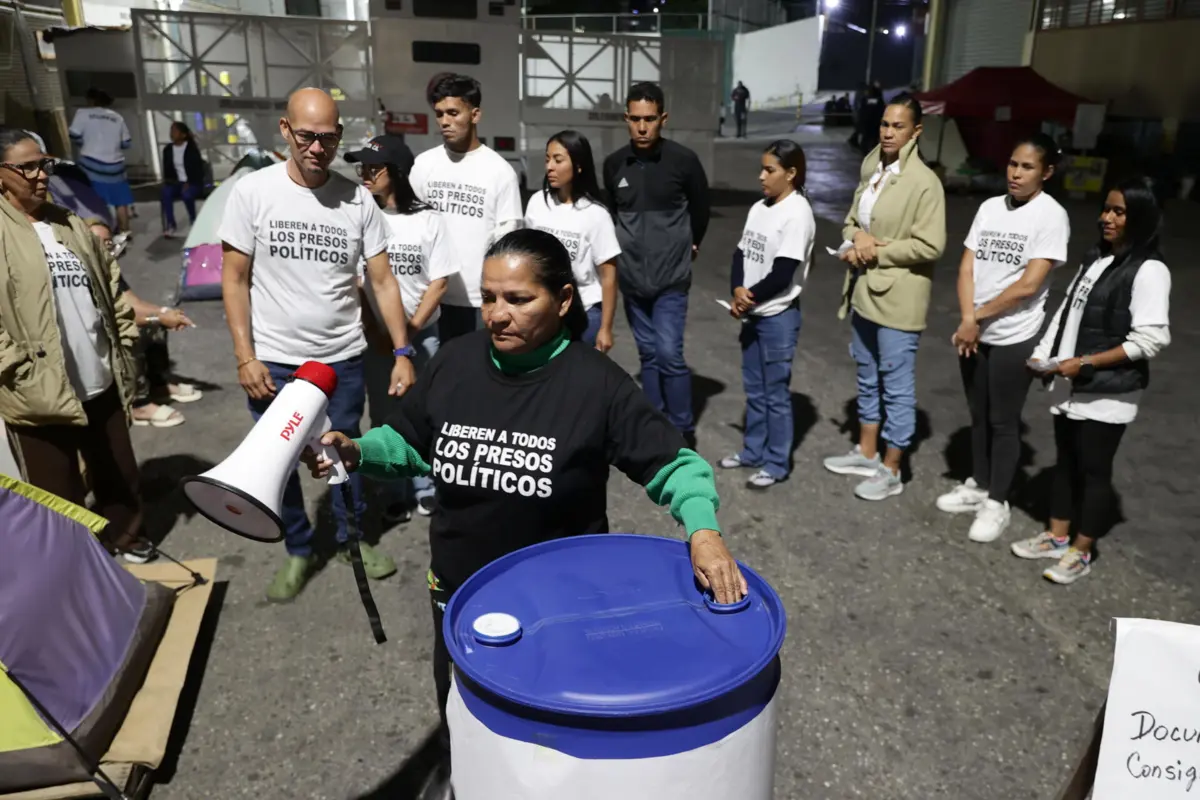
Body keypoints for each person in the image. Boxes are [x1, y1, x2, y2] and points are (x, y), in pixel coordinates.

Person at [303, 228, 748, 799]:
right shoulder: (456, 362)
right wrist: (358, 451)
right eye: (489, 297)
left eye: (517, 299)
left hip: (560, 614)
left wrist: (703, 532)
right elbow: (414, 442)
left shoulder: (597, 385)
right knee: (465, 719)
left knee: (552, 748)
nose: (496, 314)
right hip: (459, 596)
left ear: (563, 301)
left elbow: (675, 465)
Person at [219, 88, 417, 602]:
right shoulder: (253, 193)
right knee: (275, 463)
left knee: (344, 453)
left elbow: (383, 281)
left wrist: (401, 350)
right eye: (306, 135)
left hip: (341, 360)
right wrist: (245, 355)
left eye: (328, 138)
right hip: (276, 362)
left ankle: (354, 540)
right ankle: (299, 549)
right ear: (285, 131)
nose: (317, 147)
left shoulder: (357, 201)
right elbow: (234, 278)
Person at [0, 127, 153, 563]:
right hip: (38, 390)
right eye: (26, 166)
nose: (40, 174)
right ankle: (76, 565)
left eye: (43, 164)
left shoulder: (67, 222)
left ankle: (127, 538)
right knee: (57, 494)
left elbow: (109, 283)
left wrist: (122, 339)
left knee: (119, 473)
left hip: (98, 376)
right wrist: (18, 370)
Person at [1011, 176, 1171, 584]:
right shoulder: (1097, 258)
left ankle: (1082, 551)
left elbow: (1150, 340)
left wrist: (1085, 363)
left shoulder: (1150, 271)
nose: (1107, 218)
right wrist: (1042, 352)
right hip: (1071, 383)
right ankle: (1057, 535)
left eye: (1119, 212)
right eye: (1106, 209)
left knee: (1094, 470)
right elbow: (1069, 311)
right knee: (1065, 463)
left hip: (1108, 391)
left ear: (1140, 218)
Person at [937, 135, 1070, 543]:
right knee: (978, 413)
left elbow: (1029, 285)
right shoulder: (989, 208)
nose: (1015, 173)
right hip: (974, 330)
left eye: (1027, 167)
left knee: (1003, 420)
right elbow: (965, 269)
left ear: (1046, 173)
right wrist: (967, 319)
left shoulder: (1051, 216)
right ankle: (978, 484)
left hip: (1015, 335)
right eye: (1013, 164)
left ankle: (998, 501)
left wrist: (975, 318)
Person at [823, 93, 946, 501]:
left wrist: (877, 249)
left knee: (895, 385)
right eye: (884, 124)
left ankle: (892, 468)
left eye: (898, 126)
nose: (889, 132)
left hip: (900, 300)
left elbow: (930, 246)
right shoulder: (872, 166)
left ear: (916, 131)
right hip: (864, 291)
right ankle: (867, 451)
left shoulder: (924, 183)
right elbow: (853, 219)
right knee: (866, 374)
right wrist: (856, 237)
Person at [345, 134, 456, 519]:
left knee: (426, 412)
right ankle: (394, 488)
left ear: (396, 172)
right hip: (376, 340)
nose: (365, 175)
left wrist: (406, 334)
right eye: (362, 168)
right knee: (384, 414)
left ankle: (426, 484)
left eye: (372, 168)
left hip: (422, 338)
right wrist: (380, 333)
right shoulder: (362, 217)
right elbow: (358, 282)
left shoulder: (428, 219)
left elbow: (438, 282)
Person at [603, 82, 711, 446]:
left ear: (663, 119)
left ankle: (681, 431)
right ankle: (654, 426)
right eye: (635, 119)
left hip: (670, 281)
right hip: (632, 282)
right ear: (626, 119)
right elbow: (613, 216)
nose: (643, 127)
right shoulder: (614, 164)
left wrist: (688, 244)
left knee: (669, 354)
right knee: (648, 355)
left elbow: (701, 210)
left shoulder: (683, 162)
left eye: (650, 119)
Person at [719, 140, 814, 490]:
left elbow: (783, 272)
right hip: (754, 313)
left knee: (775, 394)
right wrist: (736, 290)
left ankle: (776, 463)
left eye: (769, 170)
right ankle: (752, 451)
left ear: (791, 174)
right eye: (762, 168)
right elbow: (740, 254)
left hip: (777, 317)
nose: (761, 176)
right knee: (754, 391)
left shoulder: (798, 213)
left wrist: (749, 298)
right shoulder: (760, 207)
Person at [409, 73, 523, 343]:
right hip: (428, 298)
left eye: (453, 113)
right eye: (439, 114)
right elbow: (409, 228)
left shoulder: (500, 172)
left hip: (477, 301)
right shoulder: (424, 165)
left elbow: (507, 244)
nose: (445, 121)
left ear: (475, 115)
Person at [87, 219, 201, 428]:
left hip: (115, 321)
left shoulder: (109, 268)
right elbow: (115, 315)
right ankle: (138, 403)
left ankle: (157, 384)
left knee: (156, 325)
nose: (106, 247)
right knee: (135, 331)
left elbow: (134, 302)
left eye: (108, 242)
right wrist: (158, 317)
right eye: (99, 242)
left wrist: (164, 312)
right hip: (100, 330)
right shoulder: (86, 272)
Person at [524, 130, 620, 351]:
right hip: (543, 312)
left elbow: (609, 277)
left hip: (584, 313)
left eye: (558, 160)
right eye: (547, 159)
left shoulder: (596, 215)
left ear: (578, 165)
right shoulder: (537, 203)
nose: (550, 167)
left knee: (578, 381)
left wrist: (605, 328)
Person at [69, 89, 134, 237]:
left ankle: (101, 232)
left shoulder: (82, 114)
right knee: (120, 201)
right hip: (115, 165)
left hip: (90, 165)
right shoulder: (117, 117)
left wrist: (85, 143)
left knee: (93, 200)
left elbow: (74, 135)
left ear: (91, 100)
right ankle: (125, 231)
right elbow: (126, 143)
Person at [160, 121, 204, 238]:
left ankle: (193, 220)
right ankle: (171, 224)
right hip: (176, 182)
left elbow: (198, 170)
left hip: (192, 182)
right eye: (171, 131)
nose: (172, 133)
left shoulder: (191, 149)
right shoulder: (168, 150)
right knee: (166, 193)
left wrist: (189, 182)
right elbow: (167, 170)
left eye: (175, 131)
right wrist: (168, 182)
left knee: (187, 195)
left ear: (183, 135)